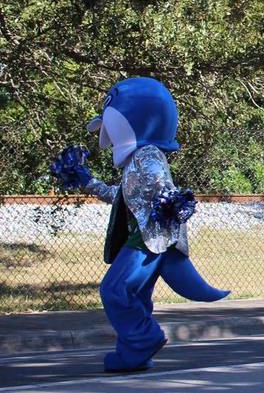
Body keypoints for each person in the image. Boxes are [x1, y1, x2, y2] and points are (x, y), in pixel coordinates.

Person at [49, 77, 229, 372]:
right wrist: (87, 180)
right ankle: (132, 354)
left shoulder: (148, 156)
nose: (106, 137)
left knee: (114, 290)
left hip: (147, 240)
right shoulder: (137, 160)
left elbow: (161, 188)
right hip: (144, 237)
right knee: (134, 295)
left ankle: (145, 337)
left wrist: (169, 200)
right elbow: (120, 197)